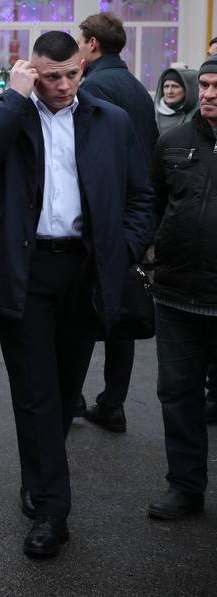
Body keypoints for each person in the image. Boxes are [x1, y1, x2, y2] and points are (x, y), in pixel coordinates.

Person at [0, 30, 153, 559]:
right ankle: (52, 510)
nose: (64, 86)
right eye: (51, 77)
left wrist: (122, 251)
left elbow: (141, 196)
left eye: (72, 74)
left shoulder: (108, 121)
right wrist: (16, 99)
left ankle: (38, 475)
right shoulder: (6, 112)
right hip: (24, 270)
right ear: (30, 71)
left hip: (84, 270)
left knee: (64, 392)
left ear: (83, 66)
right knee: (36, 389)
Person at [74, 12, 159, 435]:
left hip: (106, 213)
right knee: (120, 306)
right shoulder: (139, 90)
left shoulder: (95, 86)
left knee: (84, 304)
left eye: (80, 40)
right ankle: (113, 403)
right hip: (134, 215)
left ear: (91, 45)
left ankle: (73, 396)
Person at [147, 54, 217, 520]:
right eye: (206, 86)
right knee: (178, 395)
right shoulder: (173, 142)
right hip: (176, 294)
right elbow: (151, 205)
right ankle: (186, 487)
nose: (209, 94)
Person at [154, 66, 199, 136]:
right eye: (166, 86)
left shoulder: (199, 113)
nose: (169, 91)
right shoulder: (154, 113)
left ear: (187, 90)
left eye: (175, 86)